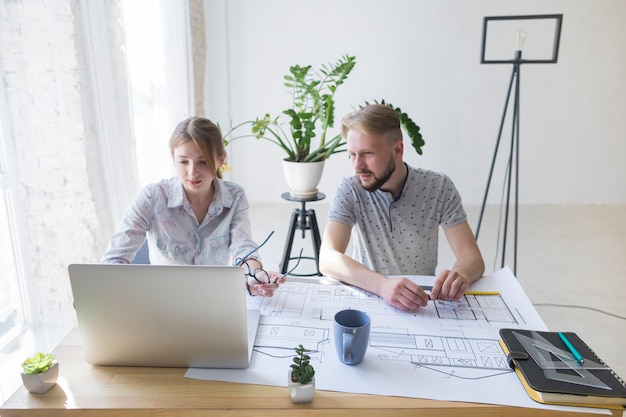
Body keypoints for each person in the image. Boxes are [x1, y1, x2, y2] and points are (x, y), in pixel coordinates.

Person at [319, 104, 484, 312]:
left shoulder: (439, 187)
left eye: (367, 154)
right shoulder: (350, 189)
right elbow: (327, 258)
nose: (357, 165)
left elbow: (472, 258)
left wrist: (460, 274)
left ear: (398, 150)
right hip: (370, 299)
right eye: (352, 154)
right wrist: (382, 285)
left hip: (421, 302)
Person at [101, 116, 283, 297]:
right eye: (183, 161)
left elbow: (243, 247)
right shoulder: (153, 196)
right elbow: (115, 257)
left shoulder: (235, 197)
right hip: (163, 299)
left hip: (214, 296)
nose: (192, 172)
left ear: (220, 160)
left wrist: (255, 275)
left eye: (202, 161)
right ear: (173, 159)